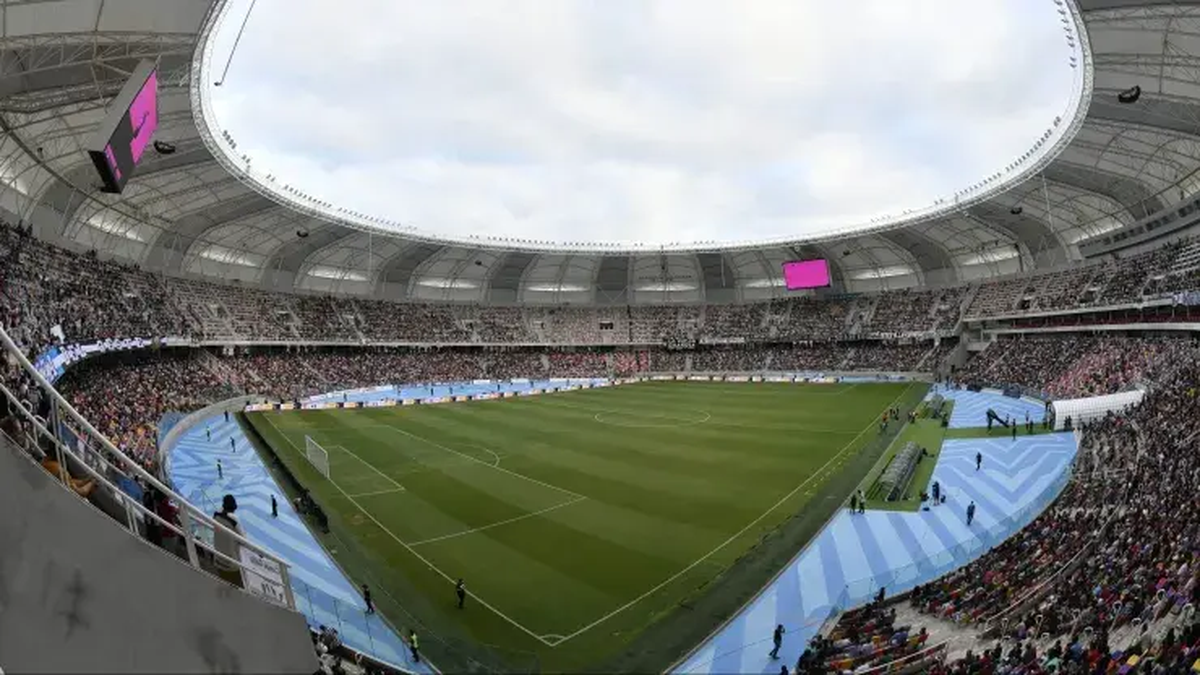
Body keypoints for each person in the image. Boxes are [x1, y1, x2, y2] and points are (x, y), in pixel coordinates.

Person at [213, 494, 245, 588]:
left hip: (217, 558)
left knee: (223, 582)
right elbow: (243, 540)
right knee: (235, 585)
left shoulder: (216, 515)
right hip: (231, 563)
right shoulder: (234, 520)